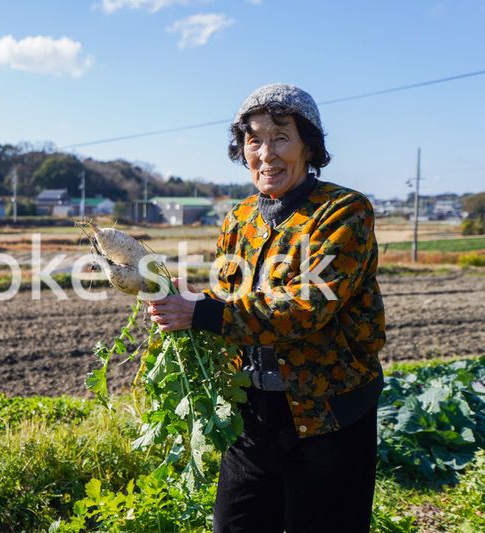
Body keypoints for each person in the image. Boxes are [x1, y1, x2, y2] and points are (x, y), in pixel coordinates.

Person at [146, 83, 386, 533]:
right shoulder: (239, 218)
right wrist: (190, 301)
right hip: (251, 413)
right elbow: (230, 299)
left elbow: (306, 305)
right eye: (253, 139)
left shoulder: (343, 211)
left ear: (309, 145)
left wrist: (200, 313)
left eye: (281, 136)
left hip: (327, 416)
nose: (265, 152)